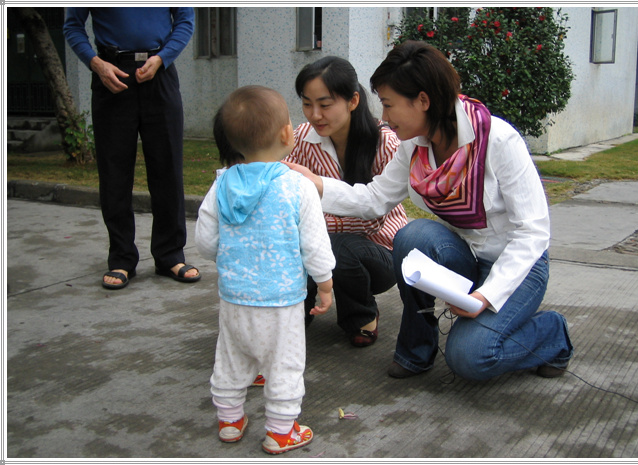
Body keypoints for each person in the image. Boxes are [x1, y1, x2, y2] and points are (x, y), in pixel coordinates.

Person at [285, 41, 573, 382]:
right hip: (467, 255)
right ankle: (416, 350)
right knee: (412, 237)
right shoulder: (414, 145)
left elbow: (533, 232)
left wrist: (486, 295)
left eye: (389, 105)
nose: (385, 117)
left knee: (470, 357)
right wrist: (317, 184)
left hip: (518, 265)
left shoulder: (498, 140)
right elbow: (375, 198)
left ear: (423, 100)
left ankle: (551, 333)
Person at [195, 86, 335, 454]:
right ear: (287, 134)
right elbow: (315, 245)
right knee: (284, 364)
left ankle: (229, 420)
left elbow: (206, 241)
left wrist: (231, 259)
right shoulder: (298, 187)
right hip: (282, 300)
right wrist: (324, 284)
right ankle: (281, 431)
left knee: (231, 356)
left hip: (235, 298)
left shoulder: (221, 184)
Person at [63, 7, 201, 290]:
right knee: (114, 173)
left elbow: (185, 20)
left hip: (159, 70)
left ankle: (170, 255)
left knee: (167, 169)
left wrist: (163, 57)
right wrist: (96, 64)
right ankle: (122, 257)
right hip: (111, 73)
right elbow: (72, 27)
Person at [286, 56, 407, 347]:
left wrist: (310, 221)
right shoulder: (301, 139)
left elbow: (370, 221)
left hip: (381, 253)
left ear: (353, 101)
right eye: (307, 104)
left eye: (325, 105)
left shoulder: (384, 142)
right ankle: (295, 311)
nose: (315, 115)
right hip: (323, 243)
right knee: (294, 241)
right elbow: (283, 190)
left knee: (333, 244)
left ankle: (361, 314)